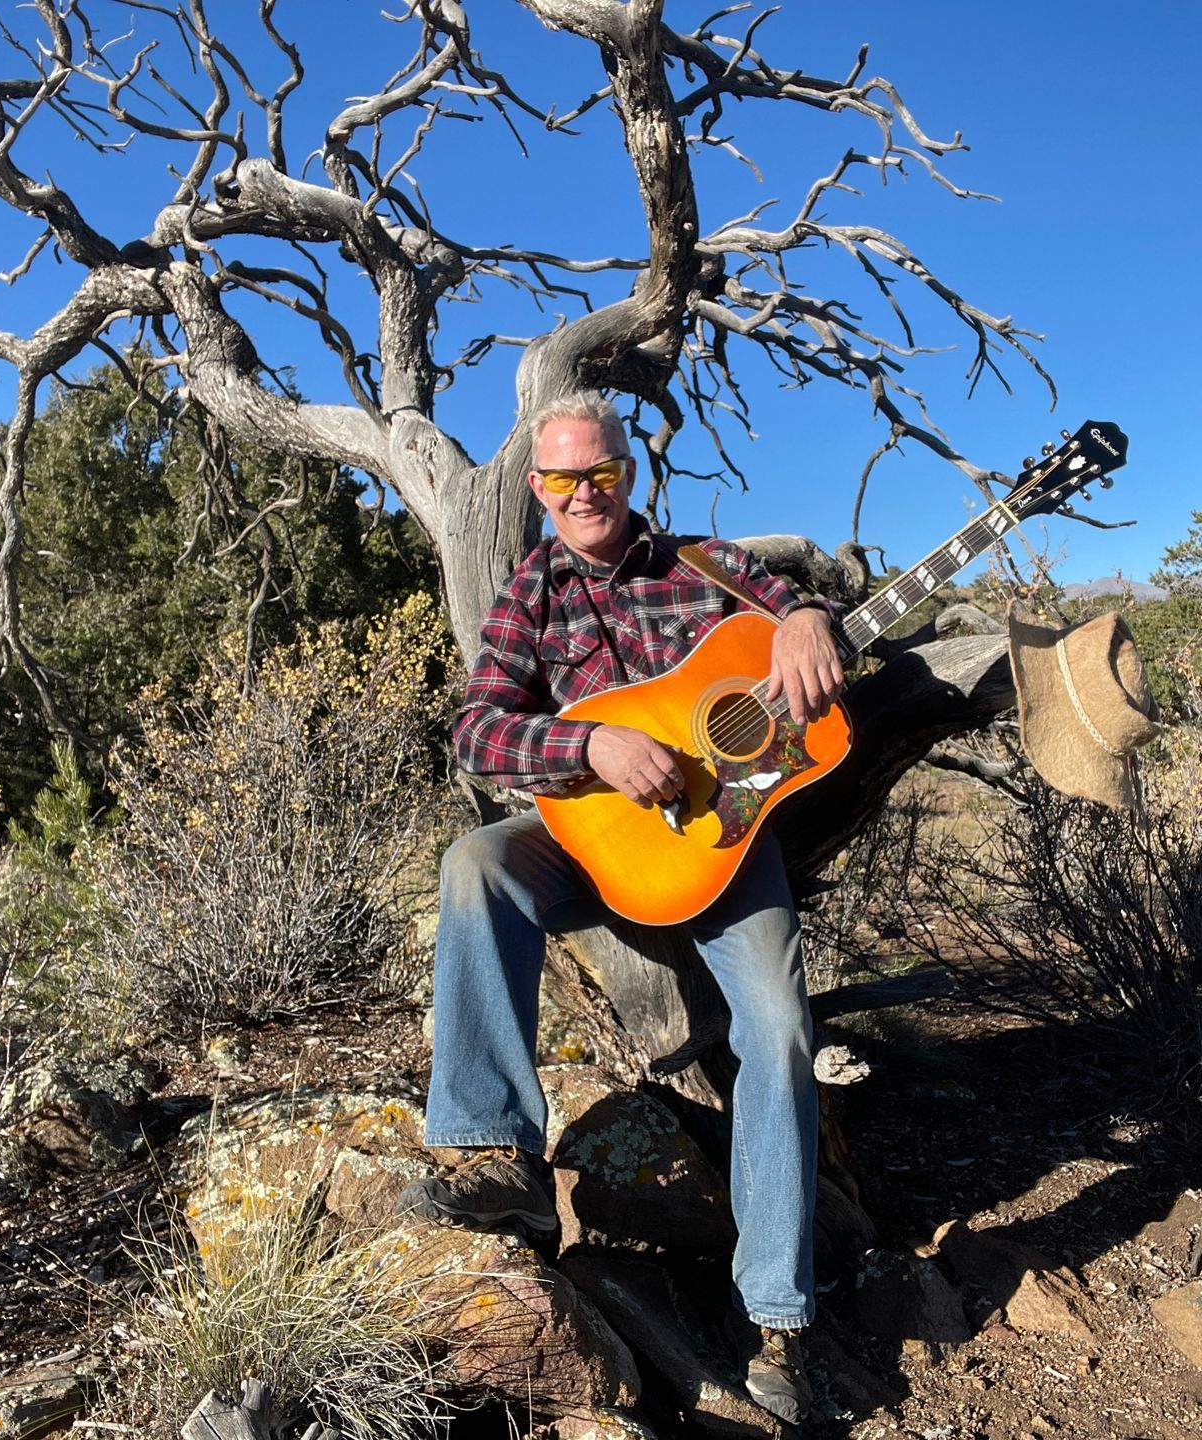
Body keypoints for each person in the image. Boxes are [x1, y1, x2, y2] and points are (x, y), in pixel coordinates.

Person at [398, 390, 843, 1424]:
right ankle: (499, 1152)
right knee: (475, 864)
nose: (583, 493)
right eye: (561, 479)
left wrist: (813, 619)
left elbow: (799, 614)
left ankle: (778, 1319)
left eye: (600, 472)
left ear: (628, 474)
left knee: (778, 1034)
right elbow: (476, 733)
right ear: (539, 489)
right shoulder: (531, 593)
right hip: (587, 842)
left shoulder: (708, 568)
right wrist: (588, 744)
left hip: (729, 851)